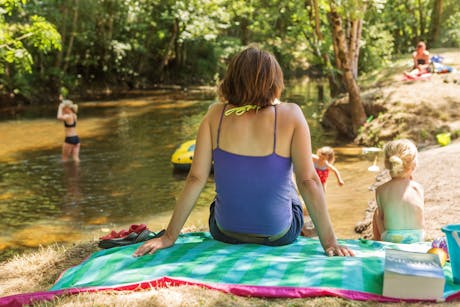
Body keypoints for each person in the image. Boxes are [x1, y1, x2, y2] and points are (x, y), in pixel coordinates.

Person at [134, 46, 353, 257]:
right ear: (274, 82)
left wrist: (169, 236)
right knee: (293, 184)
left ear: (232, 80)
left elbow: (196, 178)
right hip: (278, 236)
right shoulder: (292, 114)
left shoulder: (214, 115)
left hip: (224, 232)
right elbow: (310, 181)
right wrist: (330, 242)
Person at [372, 139, 425, 244]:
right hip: (418, 238)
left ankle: (379, 244)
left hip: (392, 239)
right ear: (413, 165)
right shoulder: (418, 188)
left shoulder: (381, 190)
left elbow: (382, 217)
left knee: (377, 213)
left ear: (387, 164)